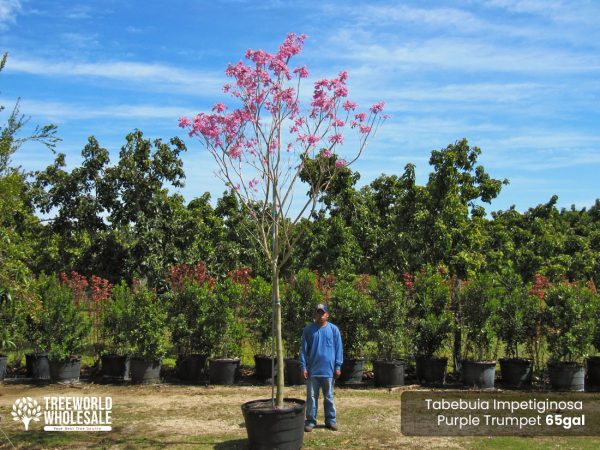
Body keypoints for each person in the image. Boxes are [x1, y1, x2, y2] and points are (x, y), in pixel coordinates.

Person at [299, 303, 343, 432]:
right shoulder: (308, 330)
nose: (320, 315)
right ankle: (311, 421)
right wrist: (304, 367)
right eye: (318, 312)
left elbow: (338, 349)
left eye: (323, 312)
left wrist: (338, 366)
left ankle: (331, 420)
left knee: (329, 397)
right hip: (313, 371)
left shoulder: (334, 330)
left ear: (327, 315)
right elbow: (303, 350)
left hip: (329, 371)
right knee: (311, 397)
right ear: (315, 314)